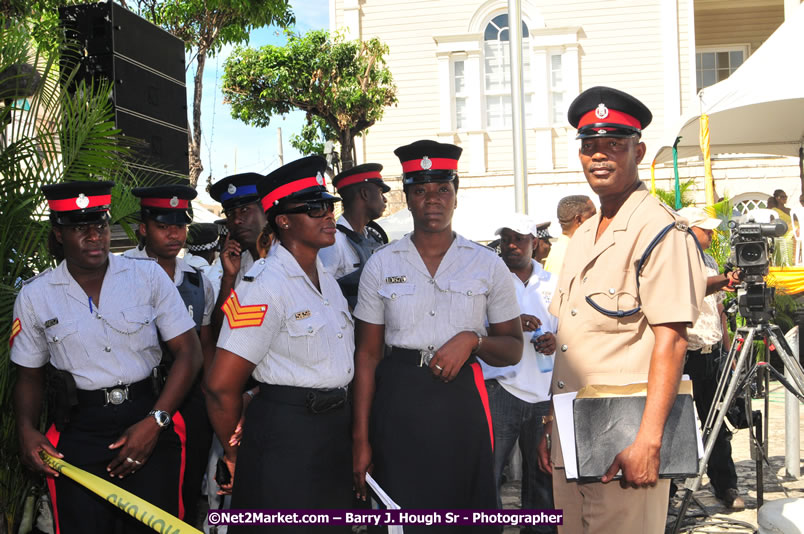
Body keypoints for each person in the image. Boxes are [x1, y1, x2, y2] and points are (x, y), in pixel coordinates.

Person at [537, 87, 706, 534]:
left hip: (624, 441)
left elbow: (672, 341)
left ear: (639, 151)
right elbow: (573, 342)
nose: (600, 155)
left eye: (614, 143)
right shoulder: (584, 234)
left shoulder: (660, 230)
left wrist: (649, 441)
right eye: (590, 145)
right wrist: (551, 423)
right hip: (573, 437)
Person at [351, 139, 523, 532]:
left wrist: (474, 341)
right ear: (408, 198)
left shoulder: (487, 264)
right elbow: (367, 356)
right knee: (403, 515)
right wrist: (361, 439)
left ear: (456, 196)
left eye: (443, 189)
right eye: (420, 190)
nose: (432, 199)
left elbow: (513, 348)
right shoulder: (381, 264)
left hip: (462, 403)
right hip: (398, 402)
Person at [11, 181, 202, 534]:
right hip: (78, 432)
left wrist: (155, 421)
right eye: (80, 228)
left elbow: (190, 352)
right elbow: (29, 375)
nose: (94, 236)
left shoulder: (147, 276)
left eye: (99, 225)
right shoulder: (36, 295)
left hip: (149, 419)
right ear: (59, 233)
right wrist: (26, 428)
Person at [205, 156, 354, 532]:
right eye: (314, 208)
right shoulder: (263, 283)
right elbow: (220, 385)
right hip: (287, 438)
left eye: (329, 205)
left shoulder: (326, 280)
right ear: (283, 221)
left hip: (333, 432)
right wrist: (233, 452)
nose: (328, 215)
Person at [125, 185, 217, 525]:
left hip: (190, 401)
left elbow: (205, 344)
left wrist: (209, 396)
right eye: (163, 226)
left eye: (179, 226)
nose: (174, 234)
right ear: (143, 228)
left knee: (188, 487)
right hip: (140, 399)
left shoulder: (197, 280)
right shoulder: (120, 274)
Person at [482, 213, 558, 534]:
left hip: (542, 392)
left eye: (519, 239)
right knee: (489, 472)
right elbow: (473, 330)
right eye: (506, 239)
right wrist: (511, 325)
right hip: (500, 389)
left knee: (542, 474)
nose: (511, 245)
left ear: (534, 243)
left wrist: (555, 341)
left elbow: (566, 330)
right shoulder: (488, 281)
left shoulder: (554, 283)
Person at [676, 206, 744, 510]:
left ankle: (725, 484)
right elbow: (691, 291)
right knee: (675, 424)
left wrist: (728, 351)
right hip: (682, 355)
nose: (712, 235)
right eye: (706, 230)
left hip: (711, 352)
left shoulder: (709, 261)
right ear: (688, 230)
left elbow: (718, 310)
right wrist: (722, 279)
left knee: (716, 422)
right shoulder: (673, 261)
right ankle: (669, 491)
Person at [318, 163, 390, 308]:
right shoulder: (334, 241)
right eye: (380, 192)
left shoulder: (372, 237)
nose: (385, 199)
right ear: (365, 194)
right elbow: (321, 296)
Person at [209, 173, 267, 332]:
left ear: (265, 211)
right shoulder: (239, 264)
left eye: (245, 210)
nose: (236, 220)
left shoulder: (287, 258)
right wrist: (229, 278)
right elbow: (220, 332)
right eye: (230, 213)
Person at [543, 195, 596, 274]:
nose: (597, 219)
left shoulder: (573, 248)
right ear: (578, 220)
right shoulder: (564, 255)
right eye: (593, 215)